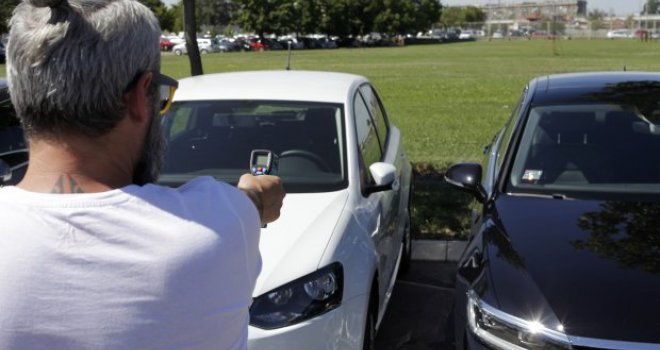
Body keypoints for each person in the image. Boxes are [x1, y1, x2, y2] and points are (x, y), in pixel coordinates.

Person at [0, 0, 285, 349]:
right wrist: (254, 195)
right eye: (160, 95)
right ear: (139, 95)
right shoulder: (223, 224)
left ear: (18, 95)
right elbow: (251, 200)